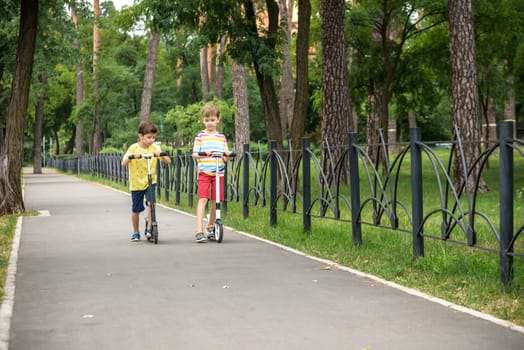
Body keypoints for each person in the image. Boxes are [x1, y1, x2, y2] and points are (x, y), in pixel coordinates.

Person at [121, 120, 171, 242]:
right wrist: (132, 156)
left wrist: (161, 154)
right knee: (136, 209)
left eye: (154, 137)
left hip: (150, 181)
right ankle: (136, 232)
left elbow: (168, 161)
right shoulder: (134, 147)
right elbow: (123, 163)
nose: (151, 140)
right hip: (136, 183)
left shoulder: (155, 147)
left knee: (151, 203)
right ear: (141, 136)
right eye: (149, 137)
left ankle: (149, 228)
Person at [192, 104, 231, 243]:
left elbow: (225, 157)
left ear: (218, 120)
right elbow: (195, 154)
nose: (210, 122)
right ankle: (198, 230)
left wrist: (227, 155)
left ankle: (210, 226)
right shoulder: (200, 136)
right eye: (207, 120)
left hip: (218, 173)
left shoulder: (221, 137)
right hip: (205, 172)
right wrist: (204, 154)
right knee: (203, 199)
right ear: (203, 120)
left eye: (212, 120)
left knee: (217, 200)